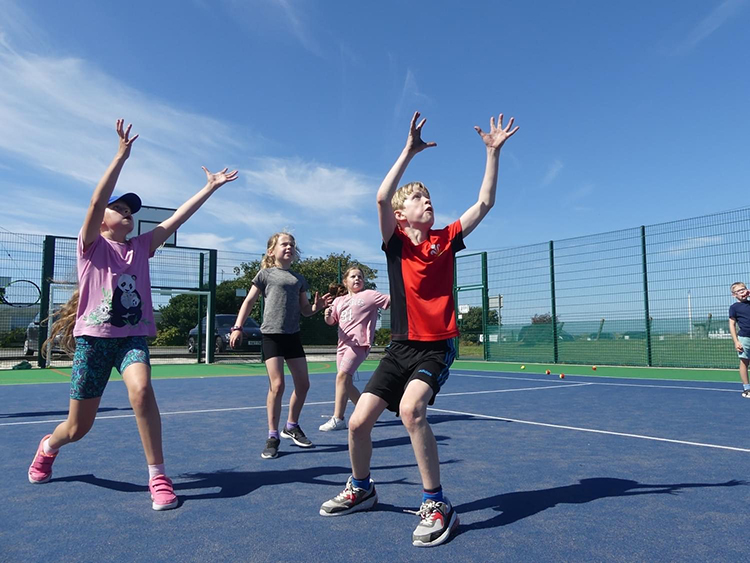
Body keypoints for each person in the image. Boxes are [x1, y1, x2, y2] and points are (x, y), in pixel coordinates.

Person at [320, 111, 519, 548]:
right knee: (357, 424)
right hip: (400, 347)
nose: (427, 201)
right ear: (401, 212)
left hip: (436, 346)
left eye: (429, 196)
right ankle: (362, 487)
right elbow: (379, 197)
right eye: (418, 198)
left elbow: (485, 203)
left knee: (412, 410)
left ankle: (436, 503)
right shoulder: (395, 243)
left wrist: (492, 153)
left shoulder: (445, 238)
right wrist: (408, 153)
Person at [27, 119, 238, 511]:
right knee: (78, 428)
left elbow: (177, 219)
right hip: (92, 341)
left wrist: (209, 188)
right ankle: (49, 445)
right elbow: (94, 202)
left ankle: (158, 475)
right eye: (119, 208)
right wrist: (121, 156)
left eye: (130, 210)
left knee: (141, 391)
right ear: (104, 219)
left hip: (132, 338)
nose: (126, 213)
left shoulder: (141, 247)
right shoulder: (90, 245)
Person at [230, 232, 330, 459]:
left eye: (292, 244)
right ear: (271, 251)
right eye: (284, 243)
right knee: (278, 385)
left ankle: (291, 425)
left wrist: (317, 307)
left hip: (292, 336)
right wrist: (238, 327)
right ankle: (273, 436)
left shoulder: (298, 279)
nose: (289, 247)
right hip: (271, 336)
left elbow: (305, 310)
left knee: (303, 384)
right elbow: (249, 301)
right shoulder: (264, 275)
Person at [319, 267, 390, 432]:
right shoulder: (339, 301)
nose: (357, 279)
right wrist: (327, 314)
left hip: (359, 344)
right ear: (346, 281)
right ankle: (366, 413)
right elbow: (331, 321)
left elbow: (391, 301)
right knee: (346, 382)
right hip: (342, 345)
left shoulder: (369, 295)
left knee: (342, 377)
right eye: (353, 276)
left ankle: (338, 418)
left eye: (360, 276)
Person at [728, 282, 750, 398]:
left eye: (744, 289)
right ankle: (747, 388)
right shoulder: (734, 308)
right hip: (744, 338)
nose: (743, 292)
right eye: (739, 291)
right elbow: (732, 325)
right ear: (734, 295)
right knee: (744, 362)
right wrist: (736, 341)